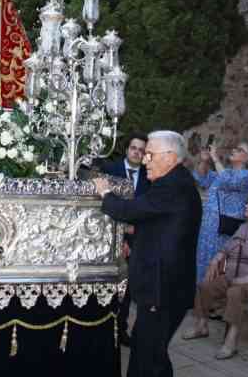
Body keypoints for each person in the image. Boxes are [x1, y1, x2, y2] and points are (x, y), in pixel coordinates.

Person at [93, 130, 202, 377]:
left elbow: (130, 210)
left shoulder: (173, 185)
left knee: (147, 356)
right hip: (163, 287)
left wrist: (105, 193)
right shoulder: (173, 182)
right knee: (151, 353)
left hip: (163, 289)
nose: (144, 161)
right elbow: (158, 223)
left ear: (171, 157)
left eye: (150, 155)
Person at [183, 193, 248, 360]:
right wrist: (217, 258)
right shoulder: (244, 227)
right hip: (232, 276)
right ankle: (201, 326)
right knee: (205, 286)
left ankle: (231, 341)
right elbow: (227, 247)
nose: (246, 206)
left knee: (235, 293)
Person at [100, 132, 150, 346]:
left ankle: (120, 330)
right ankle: (101, 328)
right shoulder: (109, 170)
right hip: (107, 239)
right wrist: (119, 237)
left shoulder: (150, 177)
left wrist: (130, 238)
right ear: (127, 149)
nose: (137, 153)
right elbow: (100, 207)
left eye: (141, 150)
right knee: (104, 285)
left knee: (127, 289)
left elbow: (147, 210)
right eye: (134, 148)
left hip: (136, 241)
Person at [192, 141, 248, 283]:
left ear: (247, 158)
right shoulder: (223, 172)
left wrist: (215, 158)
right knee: (202, 262)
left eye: (239, 149)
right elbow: (202, 178)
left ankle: (215, 300)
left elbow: (229, 182)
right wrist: (204, 160)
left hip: (225, 230)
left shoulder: (246, 175)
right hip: (208, 228)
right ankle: (200, 298)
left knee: (218, 265)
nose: (234, 149)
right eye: (234, 148)